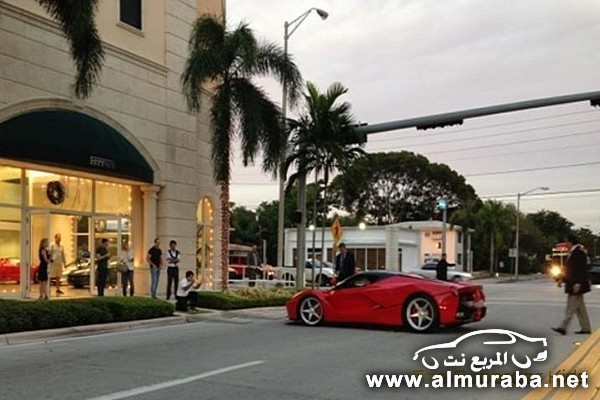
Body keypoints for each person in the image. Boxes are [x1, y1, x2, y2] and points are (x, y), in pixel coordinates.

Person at [552, 234, 592, 335]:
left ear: (571, 242)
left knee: (570, 308)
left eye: (566, 242)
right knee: (580, 309)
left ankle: (563, 327)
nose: (565, 244)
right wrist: (562, 279)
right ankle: (586, 327)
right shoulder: (573, 252)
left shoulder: (579, 253)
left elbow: (582, 270)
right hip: (572, 283)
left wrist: (578, 283)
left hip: (576, 284)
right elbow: (570, 270)